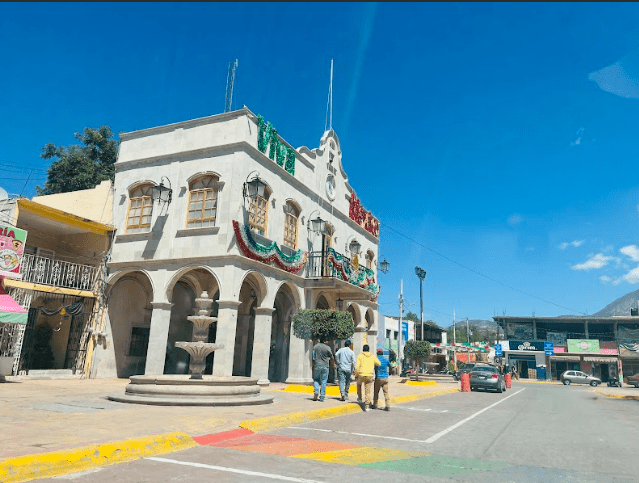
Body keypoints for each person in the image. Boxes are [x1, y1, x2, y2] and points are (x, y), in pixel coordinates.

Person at [354, 344, 380, 411]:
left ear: (363, 349)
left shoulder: (360, 356)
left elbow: (357, 367)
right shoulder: (372, 356)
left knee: (359, 385)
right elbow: (379, 363)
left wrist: (356, 375)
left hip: (361, 374)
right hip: (370, 375)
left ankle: (359, 398)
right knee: (367, 391)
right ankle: (367, 405)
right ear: (369, 349)